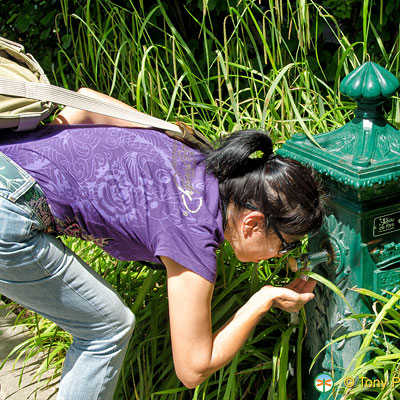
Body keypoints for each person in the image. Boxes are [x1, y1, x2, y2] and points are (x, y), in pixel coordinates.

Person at [0, 88, 324, 399]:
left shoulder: (190, 151)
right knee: (108, 330)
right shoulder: (194, 236)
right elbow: (193, 369)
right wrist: (261, 300)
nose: (280, 255)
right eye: (286, 245)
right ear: (253, 222)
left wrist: (62, 169)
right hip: (9, 210)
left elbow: (84, 102)